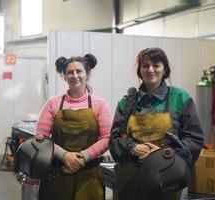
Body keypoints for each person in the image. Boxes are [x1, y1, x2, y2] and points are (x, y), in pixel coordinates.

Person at [109, 47, 204, 200]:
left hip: (165, 180)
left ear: (164, 69)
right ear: (140, 70)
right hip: (129, 182)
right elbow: (114, 141)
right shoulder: (127, 102)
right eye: (145, 66)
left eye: (156, 65)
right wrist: (132, 148)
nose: (150, 70)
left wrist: (162, 154)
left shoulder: (180, 98)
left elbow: (195, 139)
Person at [36, 54, 112, 200]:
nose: (74, 75)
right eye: (70, 72)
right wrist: (65, 156)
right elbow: (41, 138)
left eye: (79, 71)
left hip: (90, 174)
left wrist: (82, 158)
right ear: (64, 76)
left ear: (88, 74)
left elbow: (107, 138)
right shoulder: (53, 104)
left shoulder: (99, 104)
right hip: (58, 172)